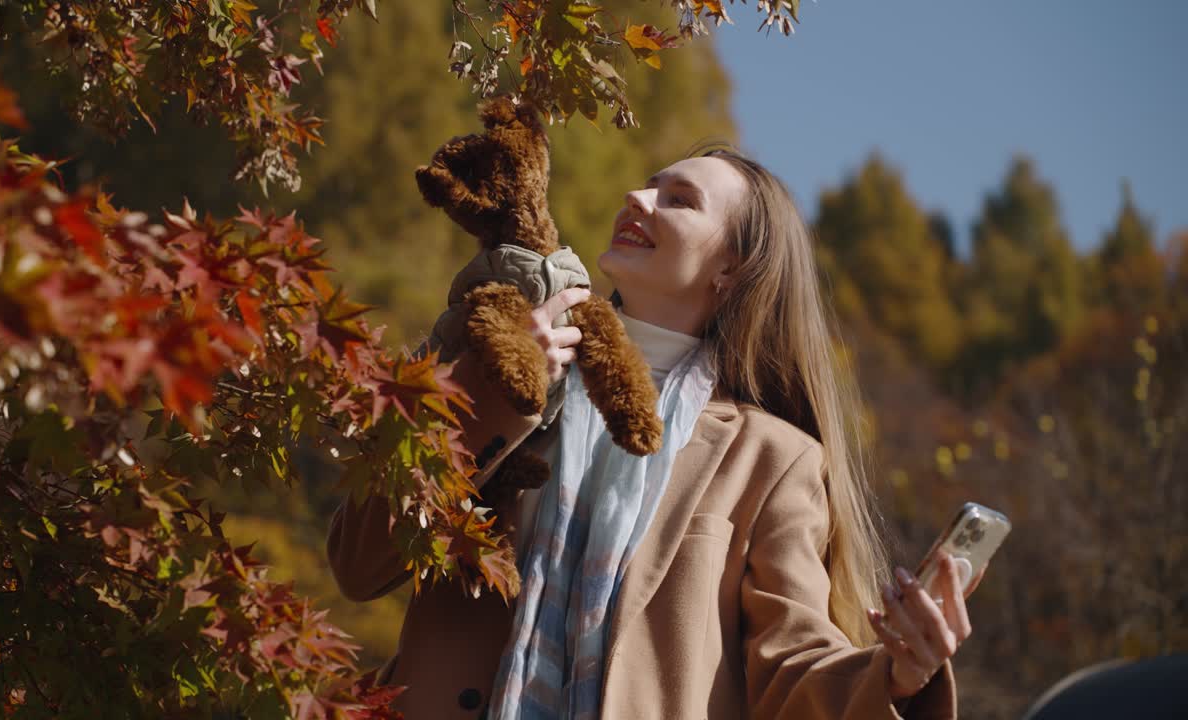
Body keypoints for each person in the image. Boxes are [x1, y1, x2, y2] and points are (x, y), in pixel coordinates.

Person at [327, 144, 979, 719]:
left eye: (679, 199)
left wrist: (901, 674)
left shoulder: (770, 460)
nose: (637, 199)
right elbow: (358, 565)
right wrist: (488, 397)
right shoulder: (505, 361)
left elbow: (791, 668)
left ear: (733, 268)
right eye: (647, 184)